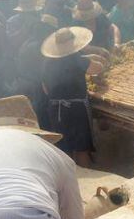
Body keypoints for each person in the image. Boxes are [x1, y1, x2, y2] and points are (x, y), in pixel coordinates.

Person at [40, 27, 107, 167]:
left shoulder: (47, 62)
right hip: (75, 110)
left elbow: (45, 89)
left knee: (65, 150)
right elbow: (96, 68)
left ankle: (72, 180)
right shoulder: (74, 58)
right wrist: (100, 62)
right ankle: (86, 182)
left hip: (55, 109)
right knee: (81, 148)